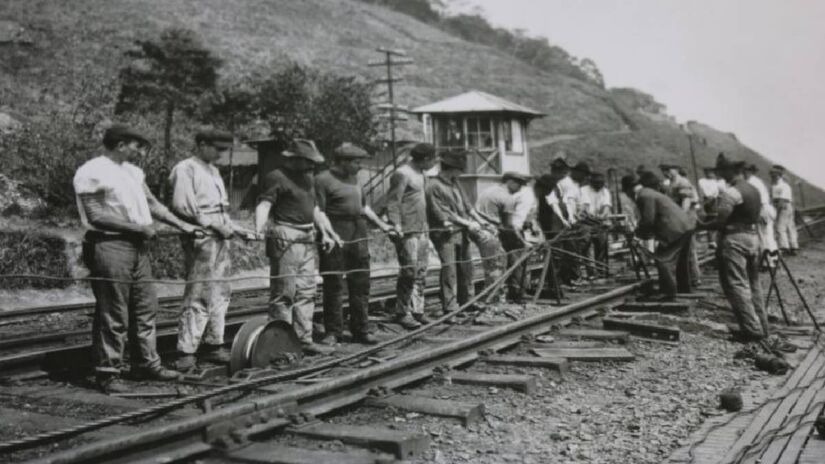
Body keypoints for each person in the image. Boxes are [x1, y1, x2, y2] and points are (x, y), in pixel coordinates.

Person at [74, 124, 197, 393]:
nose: (141, 152)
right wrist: (137, 228)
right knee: (114, 311)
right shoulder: (92, 171)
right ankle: (108, 373)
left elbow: (152, 204)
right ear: (121, 145)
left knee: (145, 307)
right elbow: (96, 215)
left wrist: (183, 225)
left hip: (137, 247)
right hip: (109, 245)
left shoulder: (133, 172)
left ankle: (146, 364)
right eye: (137, 146)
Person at [168, 130, 253, 372]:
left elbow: (221, 210)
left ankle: (214, 343)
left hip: (220, 237)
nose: (220, 154)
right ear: (202, 144)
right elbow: (182, 207)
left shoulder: (213, 171)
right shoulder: (186, 169)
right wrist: (214, 225)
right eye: (217, 148)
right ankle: (186, 351)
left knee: (221, 292)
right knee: (199, 292)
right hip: (201, 237)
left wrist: (236, 228)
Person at [254, 139, 338, 355]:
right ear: (295, 159)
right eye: (308, 161)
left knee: (307, 291)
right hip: (287, 235)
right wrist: (258, 230)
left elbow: (315, 209)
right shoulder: (276, 177)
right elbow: (264, 204)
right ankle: (281, 344)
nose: (312, 165)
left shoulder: (308, 178)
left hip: (308, 236)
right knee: (284, 292)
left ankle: (303, 339)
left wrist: (325, 232)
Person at [316, 143, 394, 346]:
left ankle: (361, 330)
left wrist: (383, 225)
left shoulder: (355, 179)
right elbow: (319, 211)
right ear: (343, 162)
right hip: (335, 233)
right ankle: (333, 332)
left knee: (361, 283)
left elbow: (364, 207)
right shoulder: (322, 180)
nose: (360, 166)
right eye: (357, 162)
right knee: (333, 284)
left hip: (358, 232)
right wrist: (327, 234)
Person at [702, 157, 769, 345]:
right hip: (753, 238)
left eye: (722, 171)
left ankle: (751, 331)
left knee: (737, 285)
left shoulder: (731, 193)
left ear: (731, 171)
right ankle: (762, 326)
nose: (720, 174)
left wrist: (701, 226)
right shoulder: (754, 189)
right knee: (754, 284)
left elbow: (720, 221)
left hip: (735, 240)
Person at [385, 143, 437, 330]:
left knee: (421, 271)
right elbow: (393, 201)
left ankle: (417, 310)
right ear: (425, 159)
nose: (434, 163)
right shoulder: (402, 173)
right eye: (433, 160)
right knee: (409, 271)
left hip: (422, 228)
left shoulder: (422, 174)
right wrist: (395, 224)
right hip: (407, 230)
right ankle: (402, 312)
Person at [426, 150, 480, 315]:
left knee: (466, 267)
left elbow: (467, 205)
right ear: (451, 169)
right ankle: (450, 306)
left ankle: (467, 302)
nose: (461, 173)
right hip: (445, 234)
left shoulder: (455, 182)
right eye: (459, 170)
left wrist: (479, 220)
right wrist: (468, 223)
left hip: (462, 232)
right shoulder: (433, 185)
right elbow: (443, 212)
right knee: (449, 270)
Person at [634, 171, 696, 299]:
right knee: (681, 263)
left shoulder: (644, 195)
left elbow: (648, 220)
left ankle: (668, 292)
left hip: (674, 230)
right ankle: (684, 289)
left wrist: (638, 232)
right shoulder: (656, 194)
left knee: (663, 259)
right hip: (686, 227)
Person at [476, 171, 530, 303]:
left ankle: (494, 295)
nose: (520, 189)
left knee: (490, 266)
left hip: (479, 231)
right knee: (500, 266)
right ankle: (497, 299)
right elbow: (508, 225)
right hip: (492, 232)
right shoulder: (507, 197)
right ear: (510, 182)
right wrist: (523, 242)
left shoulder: (488, 191)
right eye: (518, 185)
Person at [579, 171, 612, 278]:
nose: (599, 185)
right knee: (586, 244)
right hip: (586, 221)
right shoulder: (584, 190)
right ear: (591, 182)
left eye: (600, 183)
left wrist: (603, 215)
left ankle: (600, 269)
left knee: (601, 244)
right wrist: (592, 216)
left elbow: (606, 206)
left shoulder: (605, 191)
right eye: (596, 183)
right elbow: (585, 207)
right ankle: (591, 272)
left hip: (599, 221)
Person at [744, 164, 778, 265]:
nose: (743, 174)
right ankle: (774, 258)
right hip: (766, 208)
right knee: (768, 234)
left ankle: (767, 262)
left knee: (762, 236)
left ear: (749, 172)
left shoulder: (751, 182)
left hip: (761, 208)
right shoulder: (757, 181)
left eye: (745, 171)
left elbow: (755, 199)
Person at [771, 165, 799, 256]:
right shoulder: (775, 185)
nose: (772, 176)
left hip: (783, 206)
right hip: (785, 206)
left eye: (774, 174)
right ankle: (793, 246)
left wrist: (776, 211)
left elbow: (782, 200)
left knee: (780, 227)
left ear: (778, 175)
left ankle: (784, 247)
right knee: (790, 226)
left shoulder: (783, 186)